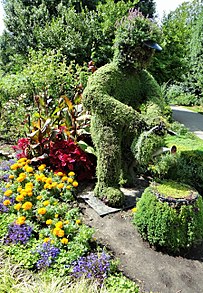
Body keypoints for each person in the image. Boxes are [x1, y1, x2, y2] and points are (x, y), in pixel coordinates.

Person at [83, 9, 169, 207]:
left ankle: (127, 174)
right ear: (128, 47)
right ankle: (105, 185)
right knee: (111, 151)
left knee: (129, 152)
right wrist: (132, 116)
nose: (148, 54)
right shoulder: (109, 73)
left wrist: (154, 117)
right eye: (144, 49)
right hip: (106, 124)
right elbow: (91, 96)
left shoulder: (144, 78)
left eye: (150, 50)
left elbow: (155, 97)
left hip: (130, 126)